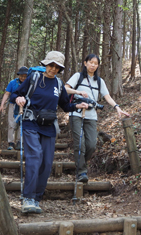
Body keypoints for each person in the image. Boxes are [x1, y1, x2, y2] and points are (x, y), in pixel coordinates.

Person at [11, 51, 88, 214]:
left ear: (60, 69)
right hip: (30, 122)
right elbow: (16, 93)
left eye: (56, 66)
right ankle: (28, 198)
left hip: (49, 126)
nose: (53, 69)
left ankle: (37, 198)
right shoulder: (34, 78)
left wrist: (77, 106)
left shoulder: (59, 85)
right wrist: (19, 99)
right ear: (45, 64)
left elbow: (65, 106)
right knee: (35, 156)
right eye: (50, 65)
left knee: (46, 163)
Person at [65, 53, 130, 183]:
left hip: (91, 116)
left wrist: (117, 107)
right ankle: (82, 172)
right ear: (85, 63)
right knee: (80, 144)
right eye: (91, 62)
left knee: (91, 145)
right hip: (76, 113)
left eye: (96, 63)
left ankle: (81, 163)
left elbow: (107, 97)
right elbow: (65, 89)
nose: (93, 65)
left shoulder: (99, 81)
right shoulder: (77, 77)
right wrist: (78, 92)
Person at [0, 66, 28, 150]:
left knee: (21, 124)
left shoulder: (28, 83)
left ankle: (19, 142)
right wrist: (2, 105)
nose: (23, 77)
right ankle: (11, 143)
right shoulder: (13, 82)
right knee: (11, 124)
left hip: (24, 105)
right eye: (21, 76)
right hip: (13, 105)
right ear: (19, 75)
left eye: (25, 76)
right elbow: (7, 94)